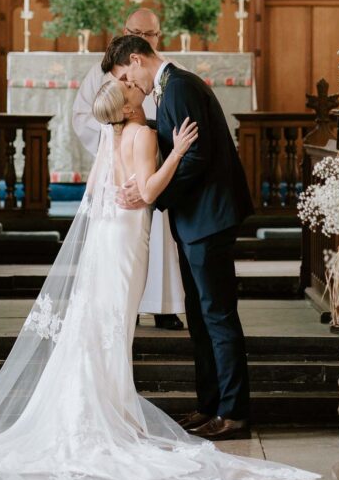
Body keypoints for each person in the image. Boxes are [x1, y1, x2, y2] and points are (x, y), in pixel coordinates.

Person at [0, 77, 317, 480]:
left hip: (108, 237)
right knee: (115, 324)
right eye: (130, 90)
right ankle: (112, 412)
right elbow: (148, 191)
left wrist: (124, 185)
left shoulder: (112, 136)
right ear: (128, 107)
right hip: (129, 240)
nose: (135, 88)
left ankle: (105, 405)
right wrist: (179, 152)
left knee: (103, 320)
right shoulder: (145, 134)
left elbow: (97, 189)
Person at [104, 34, 254, 442]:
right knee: (201, 318)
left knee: (218, 316)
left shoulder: (181, 86)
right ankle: (210, 405)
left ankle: (234, 412)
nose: (126, 85)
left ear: (136, 60)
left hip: (209, 216)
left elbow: (197, 156)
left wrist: (153, 194)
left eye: (124, 75)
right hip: (195, 219)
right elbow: (174, 143)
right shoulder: (167, 91)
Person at [72, 7, 185, 330]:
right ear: (124, 31)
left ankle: (164, 306)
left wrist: (157, 150)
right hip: (126, 177)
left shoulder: (169, 72)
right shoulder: (104, 71)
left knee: (159, 240)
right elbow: (85, 117)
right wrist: (118, 146)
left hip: (156, 165)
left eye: (147, 35)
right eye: (134, 33)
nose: (140, 39)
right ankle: (125, 308)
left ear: (157, 37)